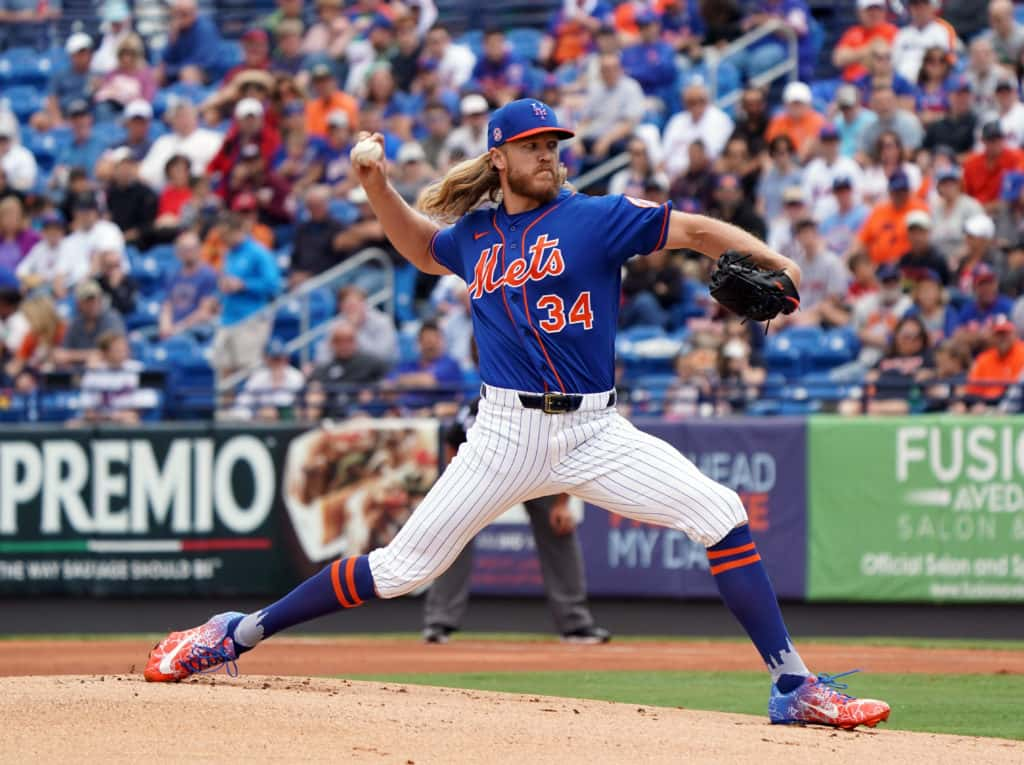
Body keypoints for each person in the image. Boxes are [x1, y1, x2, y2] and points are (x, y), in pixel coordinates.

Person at [144, 97, 891, 732]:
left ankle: (793, 686)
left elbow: (695, 231)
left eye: (554, 143)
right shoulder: (476, 236)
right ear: (499, 156)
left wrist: (778, 261)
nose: (549, 154)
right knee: (402, 570)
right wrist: (375, 184)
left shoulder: (597, 218)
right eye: (534, 145)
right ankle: (230, 633)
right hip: (504, 431)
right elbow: (417, 245)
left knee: (722, 512)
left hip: (595, 430)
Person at [423, 397, 610, 645]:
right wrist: (455, 485)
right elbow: (453, 441)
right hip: (488, 474)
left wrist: (563, 504)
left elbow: (570, 453)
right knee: (454, 530)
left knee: (559, 529)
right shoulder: (482, 404)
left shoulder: (548, 404)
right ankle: (439, 622)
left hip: (540, 474)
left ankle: (576, 624)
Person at [210, 212, 282, 382]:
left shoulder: (259, 252)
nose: (223, 239)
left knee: (249, 371)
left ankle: (251, 408)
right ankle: (225, 410)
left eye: (225, 235)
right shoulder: (228, 254)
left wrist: (244, 285)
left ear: (238, 231)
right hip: (227, 318)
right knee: (223, 371)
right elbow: (227, 280)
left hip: (251, 319)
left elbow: (274, 285)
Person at [305, 319, 390, 418]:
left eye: (349, 340)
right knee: (315, 392)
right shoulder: (325, 368)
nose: (344, 345)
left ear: (355, 341)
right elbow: (313, 385)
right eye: (339, 341)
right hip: (332, 415)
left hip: (364, 413)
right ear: (332, 343)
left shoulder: (372, 362)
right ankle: (307, 426)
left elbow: (389, 381)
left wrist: (374, 390)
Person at [661, 81, 734, 180]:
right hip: (670, 177)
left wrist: (683, 174)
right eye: (691, 102)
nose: (696, 106)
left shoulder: (720, 120)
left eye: (700, 101)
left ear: (707, 100)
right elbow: (664, 155)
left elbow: (712, 156)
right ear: (684, 103)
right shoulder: (676, 121)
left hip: (701, 177)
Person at [52, 279, 126, 368]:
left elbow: (114, 352)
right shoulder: (76, 322)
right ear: (79, 303)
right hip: (80, 371)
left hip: (109, 370)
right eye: (88, 301)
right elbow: (61, 353)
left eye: (96, 300)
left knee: (94, 363)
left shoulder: (111, 318)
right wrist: (84, 356)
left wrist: (71, 356)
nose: (93, 304)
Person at [159, 229, 218, 339]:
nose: (189, 253)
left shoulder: (208, 275)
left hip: (194, 328)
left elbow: (204, 311)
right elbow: (167, 305)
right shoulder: (173, 274)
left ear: (200, 249)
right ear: (177, 252)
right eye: (184, 249)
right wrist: (165, 326)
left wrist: (179, 328)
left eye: (192, 249)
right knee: (137, 336)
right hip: (172, 327)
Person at [230, 339, 306, 421]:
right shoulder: (258, 377)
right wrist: (254, 415)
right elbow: (242, 404)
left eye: (281, 358)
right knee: (267, 412)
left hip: (292, 419)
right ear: (266, 359)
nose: (278, 362)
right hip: (263, 422)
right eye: (274, 358)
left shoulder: (296, 376)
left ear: (286, 358)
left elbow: (300, 406)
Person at [833, 0, 898, 83]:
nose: (874, 13)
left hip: (879, 83)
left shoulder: (893, 32)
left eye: (878, 9)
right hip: (850, 82)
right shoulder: (853, 33)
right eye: (869, 9)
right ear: (859, 12)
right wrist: (869, 48)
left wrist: (854, 55)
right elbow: (838, 59)